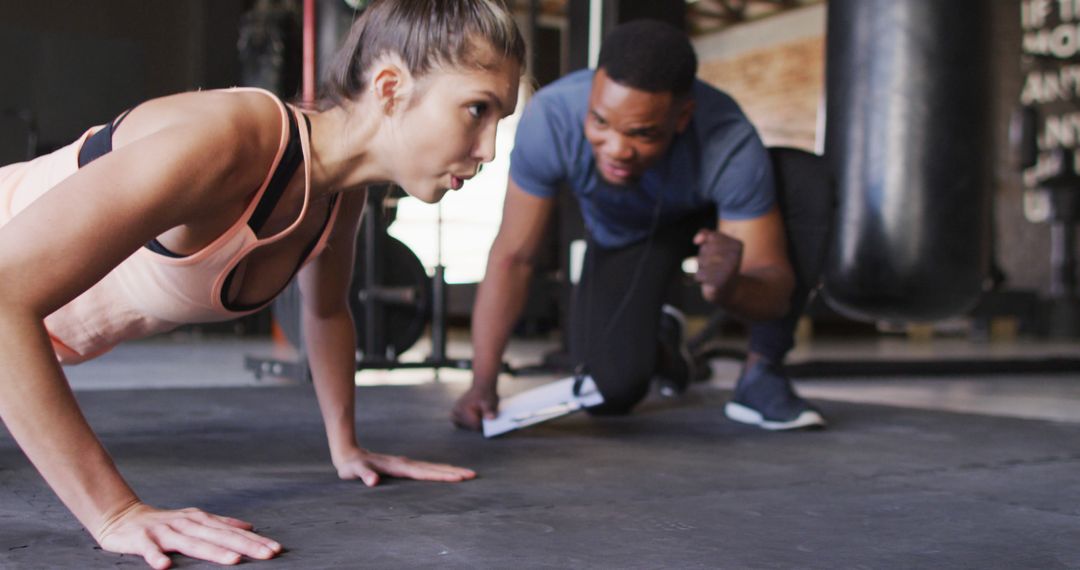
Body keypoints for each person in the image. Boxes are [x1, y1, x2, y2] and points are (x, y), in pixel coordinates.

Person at [0, 0, 524, 567]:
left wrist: (345, 447)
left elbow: (326, 313)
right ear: (391, 88)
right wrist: (116, 513)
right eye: (477, 109)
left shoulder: (340, 197)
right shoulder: (229, 141)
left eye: (500, 121)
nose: (489, 150)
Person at [452, 19, 826, 433]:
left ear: (682, 117)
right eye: (601, 123)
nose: (616, 149)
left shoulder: (729, 139)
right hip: (625, 238)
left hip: (706, 222)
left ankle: (763, 374)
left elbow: (773, 289)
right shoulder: (553, 117)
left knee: (802, 178)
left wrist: (729, 287)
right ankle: (662, 342)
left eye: (641, 133)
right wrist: (481, 384)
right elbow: (514, 257)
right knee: (611, 392)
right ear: (593, 91)